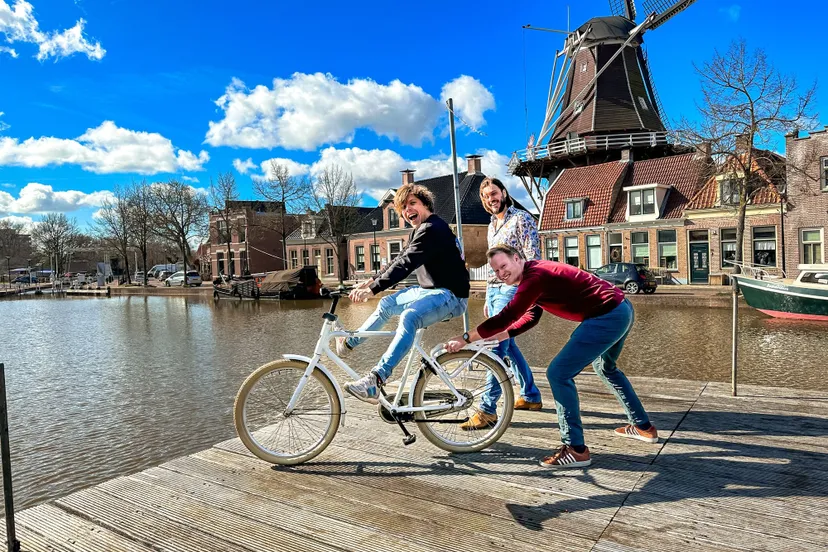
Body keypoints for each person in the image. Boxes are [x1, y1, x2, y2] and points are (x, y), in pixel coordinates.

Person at [445, 245, 657, 469]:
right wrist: (504, 335)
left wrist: (465, 338)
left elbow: (507, 316)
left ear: (516, 258)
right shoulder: (535, 273)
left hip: (607, 316)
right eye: (496, 270)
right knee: (606, 368)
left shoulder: (534, 278)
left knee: (558, 374)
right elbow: (532, 316)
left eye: (503, 266)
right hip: (621, 308)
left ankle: (576, 449)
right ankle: (643, 427)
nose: (501, 273)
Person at [339, 183, 470, 403]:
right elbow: (399, 259)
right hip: (430, 291)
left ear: (425, 204)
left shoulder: (433, 229)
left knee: (409, 317)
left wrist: (373, 289)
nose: (408, 210)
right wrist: (370, 281)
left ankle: (377, 379)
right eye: (403, 208)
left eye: (412, 203)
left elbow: (406, 264)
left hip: (451, 296)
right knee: (386, 304)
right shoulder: (419, 230)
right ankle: (351, 342)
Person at [461, 177, 543, 431]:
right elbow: (492, 263)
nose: (491, 199)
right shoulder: (491, 225)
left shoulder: (522, 219)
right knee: (509, 344)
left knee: (495, 344)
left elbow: (533, 258)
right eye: (486, 196)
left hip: (512, 288)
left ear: (504, 193)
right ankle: (530, 395)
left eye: (494, 193)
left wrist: (526, 293)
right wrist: (488, 295)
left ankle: (487, 409)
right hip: (495, 290)